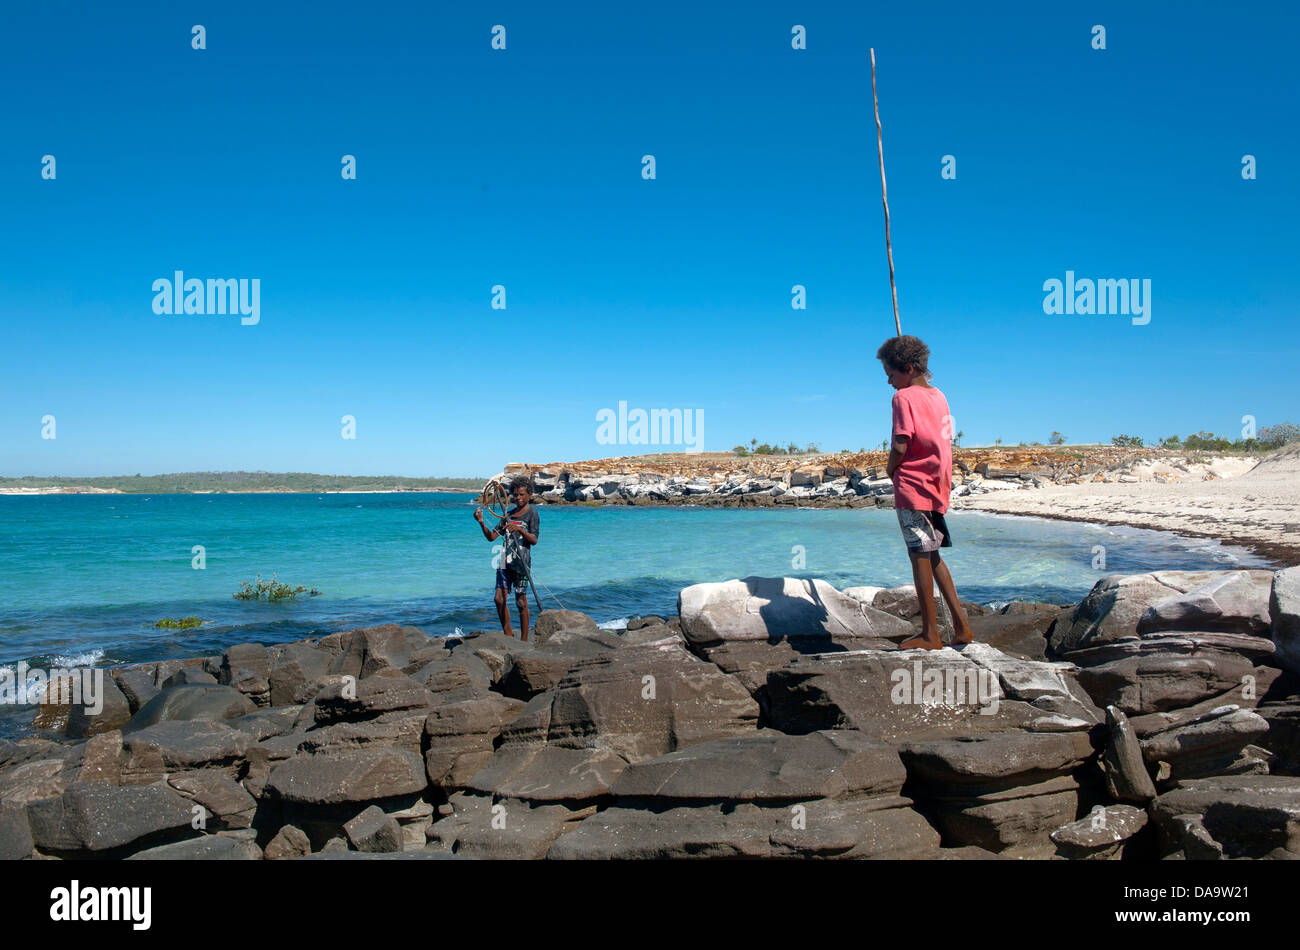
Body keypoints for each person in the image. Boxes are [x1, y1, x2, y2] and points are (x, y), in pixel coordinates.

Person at [877, 334, 976, 651]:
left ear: (907, 368)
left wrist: (891, 469)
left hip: (913, 486)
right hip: (937, 486)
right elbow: (943, 441)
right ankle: (961, 627)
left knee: (918, 556)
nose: (890, 383)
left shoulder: (903, 399)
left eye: (891, 375)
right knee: (932, 555)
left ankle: (931, 634)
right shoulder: (939, 396)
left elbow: (900, 443)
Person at [473, 477, 540, 641]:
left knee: (521, 602)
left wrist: (519, 529)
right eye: (515, 495)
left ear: (530, 494)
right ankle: (508, 636)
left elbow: (534, 540)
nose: (518, 498)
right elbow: (492, 537)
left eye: (522, 494)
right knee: (499, 599)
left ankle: (524, 640)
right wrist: (481, 523)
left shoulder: (532, 514)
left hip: (521, 563)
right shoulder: (507, 515)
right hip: (503, 561)